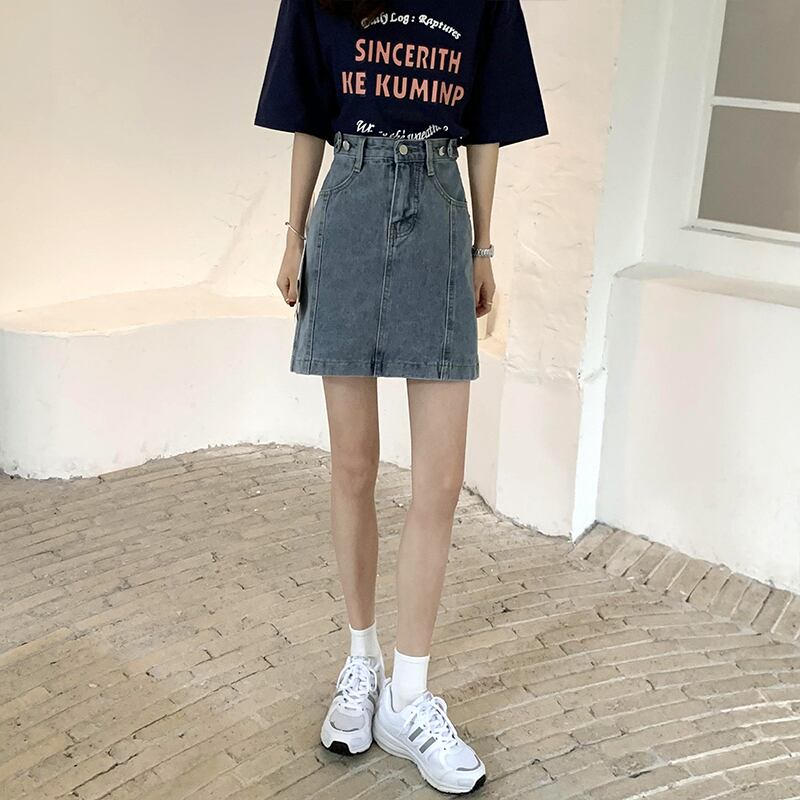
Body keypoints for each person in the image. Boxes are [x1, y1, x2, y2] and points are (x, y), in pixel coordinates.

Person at [254, 0, 548, 792]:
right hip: (348, 202)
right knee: (353, 466)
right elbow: (307, 113)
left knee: (440, 482)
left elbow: (486, 124)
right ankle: (360, 662)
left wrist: (484, 245)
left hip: (441, 212)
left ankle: (407, 696)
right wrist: (293, 235)